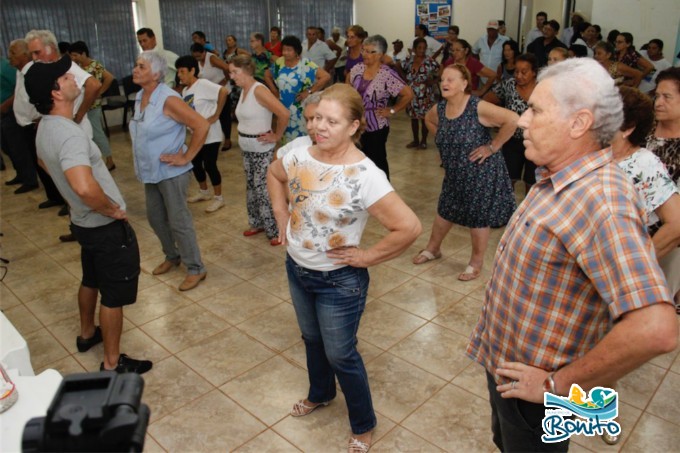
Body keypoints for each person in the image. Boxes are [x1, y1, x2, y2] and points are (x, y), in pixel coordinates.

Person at [466, 58, 677, 452]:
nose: (523, 120)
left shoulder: (600, 199)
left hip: (536, 397)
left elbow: (656, 329)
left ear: (579, 123)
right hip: (509, 373)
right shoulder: (557, 176)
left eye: (536, 110)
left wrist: (554, 385)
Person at [267, 83, 422, 453]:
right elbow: (275, 175)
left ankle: (363, 423)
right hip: (298, 269)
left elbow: (409, 227)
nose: (319, 126)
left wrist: (367, 257)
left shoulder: (366, 176)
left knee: (341, 353)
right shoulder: (299, 153)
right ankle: (320, 393)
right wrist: (281, 214)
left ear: (354, 126)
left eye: (331, 121)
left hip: (340, 281)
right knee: (311, 339)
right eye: (317, 117)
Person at [25, 55, 152, 374]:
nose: (74, 80)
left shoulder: (45, 128)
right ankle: (112, 363)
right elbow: (83, 187)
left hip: (83, 222)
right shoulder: (68, 134)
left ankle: (86, 334)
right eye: (66, 78)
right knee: (113, 294)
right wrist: (112, 209)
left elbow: (46, 166)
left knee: (91, 278)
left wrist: (73, 199)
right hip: (102, 224)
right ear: (55, 92)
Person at [412, 64, 517, 280]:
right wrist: (444, 139)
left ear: (464, 84)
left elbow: (513, 120)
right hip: (454, 173)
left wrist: (493, 147)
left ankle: (476, 263)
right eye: (442, 79)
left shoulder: (477, 106)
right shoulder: (440, 108)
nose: (444, 83)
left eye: (451, 79)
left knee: (477, 217)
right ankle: (433, 248)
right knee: (445, 210)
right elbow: (429, 120)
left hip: (480, 173)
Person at [129, 51, 209, 291]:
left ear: (156, 74)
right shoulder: (140, 95)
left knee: (178, 220)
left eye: (141, 66)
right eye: (136, 65)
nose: (135, 69)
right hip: (150, 170)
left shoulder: (169, 99)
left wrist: (186, 156)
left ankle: (195, 267)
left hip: (171, 172)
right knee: (155, 218)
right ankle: (172, 255)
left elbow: (201, 125)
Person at [614, 86, 680, 308]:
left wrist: (636, 263)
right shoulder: (596, 154)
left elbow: (677, 223)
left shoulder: (643, 163)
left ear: (628, 128)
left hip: (619, 273)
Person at [26, 29, 102, 216]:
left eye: (37, 52)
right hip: (57, 128)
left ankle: (93, 213)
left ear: (51, 48)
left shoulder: (65, 67)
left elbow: (94, 85)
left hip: (74, 130)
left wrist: (78, 115)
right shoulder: (42, 71)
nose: (35, 58)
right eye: (32, 54)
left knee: (85, 179)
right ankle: (77, 214)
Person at [230, 55, 290, 244]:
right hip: (247, 147)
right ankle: (257, 222)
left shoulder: (259, 90)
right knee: (251, 187)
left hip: (261, 148)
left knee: (264, 189)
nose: (231, 76)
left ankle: (274, 230)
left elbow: (284, 113)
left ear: (246, 71)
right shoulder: (243, 89)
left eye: (234, 72)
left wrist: (277, 135)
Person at [348, 35, 413, 179]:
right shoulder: (356, 70)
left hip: (377, 124)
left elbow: (408, 94)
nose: (365, 54)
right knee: (358, 160)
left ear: (381, 55)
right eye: (364, 50)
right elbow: (347, 90)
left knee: (377, 161)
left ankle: (383, 193)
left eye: (371, 52)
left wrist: (392, 110)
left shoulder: (387, 74)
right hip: (357, 124)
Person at [175, 55, 228, 213]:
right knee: (195, 163)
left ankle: (219, 198)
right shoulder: (185, 90)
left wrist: (216, 114)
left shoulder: (203, 84)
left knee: (210, 165)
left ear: (192, 70)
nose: (179, 75)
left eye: (182, 71)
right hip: (197, 134)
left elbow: (223, 91)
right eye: (178, 72)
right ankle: (204, 192)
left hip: (212, 133)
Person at [484, 53, 539, 191]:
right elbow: (486, 102)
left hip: (536, 142)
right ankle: (508, 211)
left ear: (534, 72)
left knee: (532, 183)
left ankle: (528, 212)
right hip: (512, 141)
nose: (519, 75)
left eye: (524, 72)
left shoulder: (543, 88)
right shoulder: (508, 85)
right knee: (508, 181)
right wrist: (498, 120)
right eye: (516, 71)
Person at [266, 35, 330, 144]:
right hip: (282, 107)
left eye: (289, 50)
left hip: (300, 108)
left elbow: (325, 76)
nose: (285, 53)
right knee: (284, 139)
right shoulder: (279, 62)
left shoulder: (306, 64)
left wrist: (309, 91)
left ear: (297, 51)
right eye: (284, 50)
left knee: (301, 141)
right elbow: (267, 75)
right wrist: (274, 91)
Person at [68, 41, 116, 170]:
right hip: (84, 106)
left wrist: (100, 92)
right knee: (89, 134)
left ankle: (109, 160)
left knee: (97, 133)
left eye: (75, 55)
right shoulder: (78, 67)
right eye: (71, 55)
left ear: (83, 53)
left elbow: (109, 77)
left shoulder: (94, 65)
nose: (73, 58)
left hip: (93, 106)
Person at [4, 39, 39, 194]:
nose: (9, 56)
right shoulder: (19, 71)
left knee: (41, 160)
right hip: (23, 122)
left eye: (13, 52)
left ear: (26, 54)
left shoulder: (31, 72)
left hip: (33, 122)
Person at [190, 43, 232, 150]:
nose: (197, 58)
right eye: (195, 57)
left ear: (204, 53)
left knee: (224, 116)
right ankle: (214, 139)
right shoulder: (198, 63)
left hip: (222, 90)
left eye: (199, 56)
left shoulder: (212, 58)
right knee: (213, 116)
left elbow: (227, 68)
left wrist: (225, 80)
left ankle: (227, 140)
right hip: (211, 93)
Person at [401, 38, 439, 150]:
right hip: (411, 93)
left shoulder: (430, 61)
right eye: (419, 48)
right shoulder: (409, 60)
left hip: (425, 94)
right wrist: (404, 79)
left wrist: (433, 81)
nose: (422, 50)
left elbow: (441, 71)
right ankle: (415, 140)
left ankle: (423, 141)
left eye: (424, 48)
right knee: (413, 118)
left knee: (424, 118)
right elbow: (398, 66)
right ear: (414, 49)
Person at [276, 92, 321, 160]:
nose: (308, 127)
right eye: (306, 120)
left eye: (314, 119)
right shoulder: (299, 143)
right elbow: (276, 158)